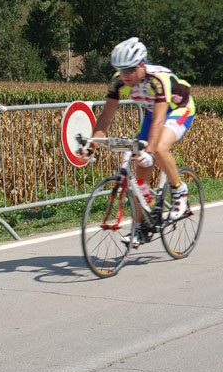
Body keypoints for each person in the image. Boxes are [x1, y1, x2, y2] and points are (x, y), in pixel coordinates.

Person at [82, 37, 195, 243]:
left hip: (178, 109)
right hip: (154, 113)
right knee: (139, 177)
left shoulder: (157, 80)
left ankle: (179, 189)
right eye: (120, 70)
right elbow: (106, 116)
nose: (124, 75)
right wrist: (92, 145)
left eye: (129, 70)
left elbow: (160, 120)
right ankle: (140, 227)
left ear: (142, 66)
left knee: (159, 149)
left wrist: (149, 151)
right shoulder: (118, 82)